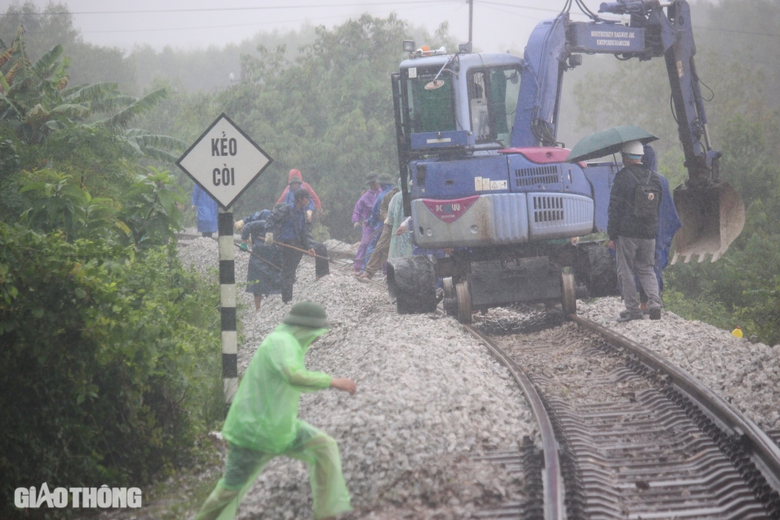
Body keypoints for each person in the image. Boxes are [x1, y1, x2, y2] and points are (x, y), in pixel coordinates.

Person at [193, 301, 356, 520]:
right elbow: (293, 375)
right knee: (229, 490)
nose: (318, 337)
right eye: (317, 332)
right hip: (254, 432)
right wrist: (333, 381)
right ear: (304, 328)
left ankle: (328, 515)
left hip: (280, 427)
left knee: (324, 447)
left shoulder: (289, 343)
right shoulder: (281, 343)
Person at [608, 140, 664, 322]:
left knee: (626, 271)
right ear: (640, 156)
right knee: (647, 269)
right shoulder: (654, 177)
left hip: (628, 234)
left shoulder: (622, 178)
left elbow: (614, 209)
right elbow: (658, 205)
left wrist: (612, 235)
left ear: (625, 157)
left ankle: (633, 311)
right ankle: (655, 304)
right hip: (649, 234)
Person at [265, 189, 330, 303]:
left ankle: (321, 276)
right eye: (306, 198)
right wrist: (269, 233)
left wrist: (309, 247)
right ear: (300, 199)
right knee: (288, 273)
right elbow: (271, 219)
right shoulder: (286, 209)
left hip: (299, 242)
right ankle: (287, 300)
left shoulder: (303, 213)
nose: (308, 200)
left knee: (320, 248)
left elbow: (306, 232)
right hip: (287, 244)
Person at [239, 207, 283, 311]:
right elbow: (247, 226)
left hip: (272, 257)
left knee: (273, 281)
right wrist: (244, 242)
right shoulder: (263, 223)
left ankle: (273, 308)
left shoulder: (281, 227)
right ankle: (257, 308)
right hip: (258, 257)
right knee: (257, 284)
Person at [359, 179, 400, 280]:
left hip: (401, 226)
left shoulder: (382, 195)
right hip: (388, 225)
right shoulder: (390, 195)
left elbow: (375, 211)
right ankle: (369, 271)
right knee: (380, 248)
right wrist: (388, 219)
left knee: (378, 247)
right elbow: (381, 209)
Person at [351, 173, 382, 273]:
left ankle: (378, 266)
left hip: (380, 223)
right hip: (368, 224)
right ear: (371, 184)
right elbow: (357, 209)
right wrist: (356, 220)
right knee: (365, 243)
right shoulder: (365, 197)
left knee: (380, 244)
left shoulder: (382, 193)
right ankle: (359, 265)